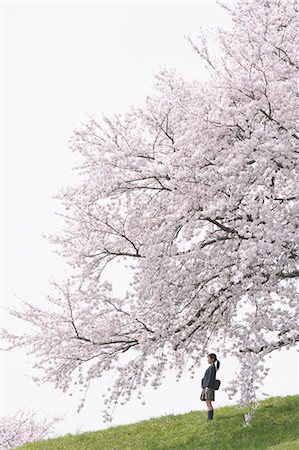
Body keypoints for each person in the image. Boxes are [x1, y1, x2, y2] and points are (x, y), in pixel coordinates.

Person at [200, 353, 220, 421]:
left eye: (208, 358)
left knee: (208, 403)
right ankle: (209, 418)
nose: (207, 360)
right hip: (207, 386)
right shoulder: (212, 367)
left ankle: (210, 419)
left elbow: (210, 378)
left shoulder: (212, 367)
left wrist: (207, 387)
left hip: (208, 387)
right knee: (208, 403)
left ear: (212, 359)